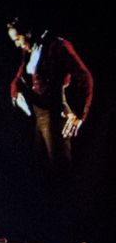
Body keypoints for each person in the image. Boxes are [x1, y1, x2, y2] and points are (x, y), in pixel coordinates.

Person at [7, 19, 92, 163]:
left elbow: (85, 77)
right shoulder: (30, 50)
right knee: (41, 167)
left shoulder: (57, 46)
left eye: (18, 39)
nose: (17, 44)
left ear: (27, 33)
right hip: (39, 114)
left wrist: (80, 115)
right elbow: (20, 72)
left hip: (55, 114)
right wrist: (15, 91)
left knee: (59, 165)